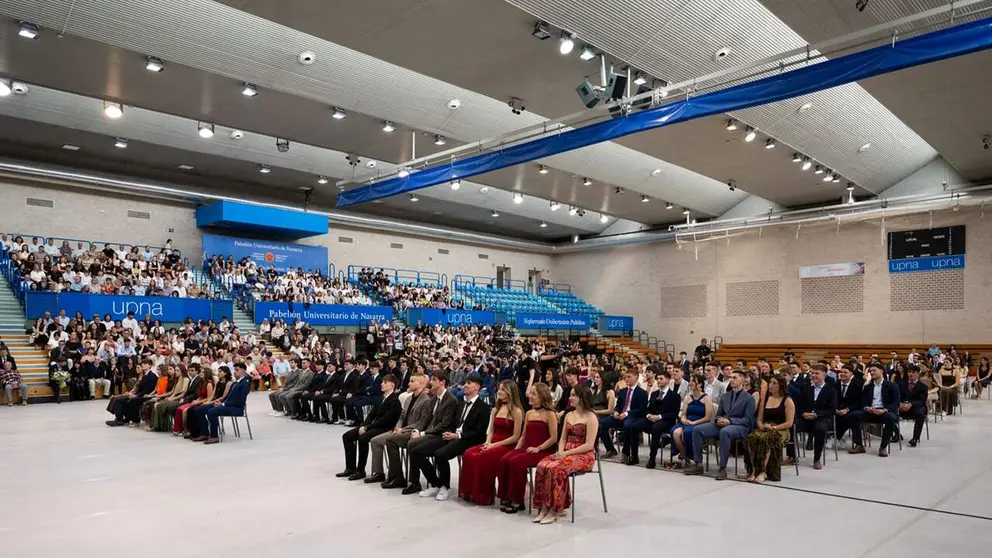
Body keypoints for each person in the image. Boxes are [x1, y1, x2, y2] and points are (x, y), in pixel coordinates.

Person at [410, 376, 491, 501]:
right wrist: (449, 433)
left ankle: (445, 486)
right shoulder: (461, 403)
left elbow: (480, 433)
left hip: (467, 439)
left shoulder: (483, 407)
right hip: (451, 435)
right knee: (416, 451)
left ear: (477, 387)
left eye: (469, 383)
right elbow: (453, 423)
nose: (465, 385)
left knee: (440, 454)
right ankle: (436, 483)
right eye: (465, 382)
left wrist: (459, 435)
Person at [531, 384, 599, 525]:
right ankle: (544, 506)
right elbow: (562, 438)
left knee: (556, 469)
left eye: (574, 395)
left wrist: (567, 453)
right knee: (542, 465)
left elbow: (589, 445)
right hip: (566, 452)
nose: (570, 398)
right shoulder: (569, 415)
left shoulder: (591, 417)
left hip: (584, 455)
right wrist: (561, 451)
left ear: (582, 398)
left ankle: (555, 508)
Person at [459, 380, 524, 506]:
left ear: (510, 392)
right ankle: (471, 492)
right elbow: (491, 430)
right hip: (492, 442)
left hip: (506, 445)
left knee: (481, 457)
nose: (499, 392)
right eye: (499, 389)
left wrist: (494, 445)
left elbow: (516, 437)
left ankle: (484, 494)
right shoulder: (495, 409)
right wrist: (488, 442)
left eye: (503, 389)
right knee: (468, 454)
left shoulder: (517, 411)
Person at [496, 383, 558, 514]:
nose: (530, 396)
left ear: (542, 396)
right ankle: (505, 495)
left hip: (543, 450)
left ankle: (517, 499)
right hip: (527, 448)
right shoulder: (529, 413)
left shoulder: (550, 414)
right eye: (531, 393)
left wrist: (539, 448)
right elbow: (523, 436)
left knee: (516, 462)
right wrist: (515, 450)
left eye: (534, 394)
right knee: (504, 460)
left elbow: (553, 438)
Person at [684, 369, 756, 480]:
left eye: (735, 378)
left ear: (742, 380)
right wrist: (719, 420)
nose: (731, 380)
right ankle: (698, 464)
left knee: (725, 432)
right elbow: (718, 414)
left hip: (740, 427)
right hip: (723, 423)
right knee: (697, 429)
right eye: (730, 378)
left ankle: (722, 468)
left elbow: (748, 420)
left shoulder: (749, 398)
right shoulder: (725, 396)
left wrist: (730, 421)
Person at [367, 373, 433, 487]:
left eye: (412, 381)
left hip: (412, 431)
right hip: (400, 429)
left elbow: (422, 423)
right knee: (375, 440)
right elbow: (402, 416)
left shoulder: (426, 400)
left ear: (421, 383)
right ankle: (380, 473)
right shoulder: (408, 398)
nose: (409, 383)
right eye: (410, 381)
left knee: (391, 441)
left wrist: (403, 429)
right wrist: (398, 427)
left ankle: (397, 477)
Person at [401, 371, 460, 494]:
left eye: (433, 380)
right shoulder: (433, 399)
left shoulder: (451, 400)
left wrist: (423, 433)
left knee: (417, 448)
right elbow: (426, 419)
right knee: (412, 444)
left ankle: (439, 484)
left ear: (442, 382)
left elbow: (444, 425)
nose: (430, 382)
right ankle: (425, 482)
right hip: (432, 433)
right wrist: (418, 430)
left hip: (444, 435)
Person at [337, 373, 401, 481]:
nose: (382, 384)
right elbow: (371, 415)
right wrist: (363, 425)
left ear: (392, 385)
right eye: (382, 382)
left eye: (385, 382)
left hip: (384, 428)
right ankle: (350, 468)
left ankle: (360, 470)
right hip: (374, 426)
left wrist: (367, 428)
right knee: (347, 436)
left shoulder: (394, 400)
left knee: (363, 438)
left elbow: (385, 420)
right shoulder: (380, 398)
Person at [744, 374, 795, 483]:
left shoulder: (787, 400)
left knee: (767, 439)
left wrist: (774, 427)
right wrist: (761, 425)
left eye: (774, 383)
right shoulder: (765, 399)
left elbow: (789, 423)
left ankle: (762, 472)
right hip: (766, 427)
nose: (771, 385)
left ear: (781, 385)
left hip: (781, 429)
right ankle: (754, 470)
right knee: (752, 437)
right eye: (770, 383)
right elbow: (759, 419)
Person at [629, 367, 681, 469]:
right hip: (652, 419)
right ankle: (634, 456)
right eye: (657, 379)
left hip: (666, 421)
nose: (658, 381)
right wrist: (649, 415)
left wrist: (659, 417)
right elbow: (648, 409)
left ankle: (652, 458)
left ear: (668, 380)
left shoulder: (675, 396)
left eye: (661, 379)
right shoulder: (654, 394)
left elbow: (674, 414)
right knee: (634, 426)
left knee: (656, 428)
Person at [848, 362, 901, 457]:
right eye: (870, 371)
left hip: (884, 411)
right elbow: (863, 402)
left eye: (874, 370)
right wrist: (867, 408)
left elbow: (896, 402)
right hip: (870, 411)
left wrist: (884, 410)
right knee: (853, 415)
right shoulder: (868, 387)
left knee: (892, 418)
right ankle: (859, 445)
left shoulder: (892, 385)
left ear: (881, 371)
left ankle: (883, 447)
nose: (871, 373)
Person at [191, 362, 251, 444]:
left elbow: (239, 401)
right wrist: (220, 402)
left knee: (212, 411)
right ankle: (204, 433)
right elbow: (227, 397)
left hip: (236, 408)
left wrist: (223, 404)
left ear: (243, 371)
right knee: (199, 409)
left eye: (237, 370)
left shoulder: (244, 384)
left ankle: (214, 436)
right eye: (234, 370)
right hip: (227, 405)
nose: (234, 372)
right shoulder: (235, 383)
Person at [598, 369, 647, 464]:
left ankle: (626, 452)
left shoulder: (642, 393)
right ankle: (610, 449)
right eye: (625, 377)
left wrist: (627, 414)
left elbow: (641, 410)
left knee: (627, 425)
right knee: (601, 423)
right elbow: (619, 405)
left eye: (629, 377)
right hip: (620, 416)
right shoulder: (623, 391)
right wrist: (616, 411)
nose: (626, 379)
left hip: (633, 416)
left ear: (636, 378)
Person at [666, 373, 713, 469]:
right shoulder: (688, 397)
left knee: (687, 433)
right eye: (690, 381)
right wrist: (683, 419)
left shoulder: (706, 398)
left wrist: (694, 423)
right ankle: (686, 458)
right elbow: (684, 413)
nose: (690, 383)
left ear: (700, 384)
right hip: (687, 421)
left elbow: (708, 417)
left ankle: (692, 458)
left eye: (693, 381)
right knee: (675, 433)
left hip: (699, 422)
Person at [795, 364, 837, 470]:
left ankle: (816, 459)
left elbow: (831, 410)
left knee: (820, 429)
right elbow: (799, 406)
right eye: (812, 373)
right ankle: (791, 456)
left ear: (824, 375)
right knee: (792, 425)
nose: (814, 375)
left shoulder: (831, 391)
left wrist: (816, 414)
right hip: (805, 418)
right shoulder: (805, 388)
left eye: (817, 373)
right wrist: (803, 413)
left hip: (822, 418)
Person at [106, 359, 158, 426]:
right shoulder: (145, 375)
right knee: (119, 399)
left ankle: (131, 419)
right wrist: (135, 394)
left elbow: (147, 390)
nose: (143, 365)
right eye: (143, 363)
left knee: (128, 400)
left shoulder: (152, 376)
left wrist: (136, 395)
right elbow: (140, 389)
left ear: (150, 366)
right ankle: (120, 419)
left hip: (146, 396)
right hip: (141, 395)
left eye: (145, 364)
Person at [173, 366, 214, 436]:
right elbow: (200, 395)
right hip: (199, 400)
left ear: (207, 373)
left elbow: (209, 398)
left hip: (204, 402)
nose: (201, 373)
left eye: (203, 372)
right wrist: (196, 400)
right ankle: (181, 428)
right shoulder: (202, 382)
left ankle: (187, 429)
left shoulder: (209, 384)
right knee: (180, 408)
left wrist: (198, 402)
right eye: (201, 372)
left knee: (186, 410)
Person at [833, 365, 863, 448]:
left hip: (853, 408)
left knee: (851, 416)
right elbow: (833, 398)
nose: (842, 374)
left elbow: (858, 402)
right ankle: (834, 436)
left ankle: (838, 437)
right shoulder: (836, 383)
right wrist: (835, 409)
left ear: (851, 374)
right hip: (838, 408)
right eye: (841, 372)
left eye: (845, 372)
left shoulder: (858, 384)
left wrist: (847, 409)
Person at [898, 365, 928, 447]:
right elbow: (897, 396)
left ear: (918, 374)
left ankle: (915, 438)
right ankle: (897, 434)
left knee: (920, 414)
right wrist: (900, 404)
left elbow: (922, 401)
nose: (911, 374)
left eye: (913, 372)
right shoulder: (900, 384)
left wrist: (911, 404)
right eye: (909, 372)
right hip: (902, 406)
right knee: (889, 412)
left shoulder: (923, 386)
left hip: (915, 407)